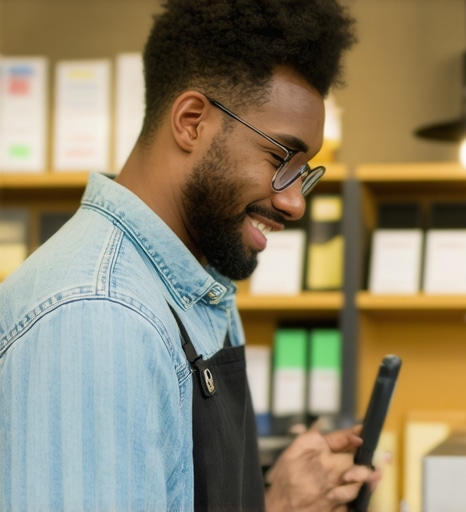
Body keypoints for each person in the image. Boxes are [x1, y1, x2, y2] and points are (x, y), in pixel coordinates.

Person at [0, 1, 378, 510]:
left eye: (304, 171)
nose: (294, 201)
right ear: (192, 121)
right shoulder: (101, 317)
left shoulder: (194, 285)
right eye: (280, 159)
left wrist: (274, 503)